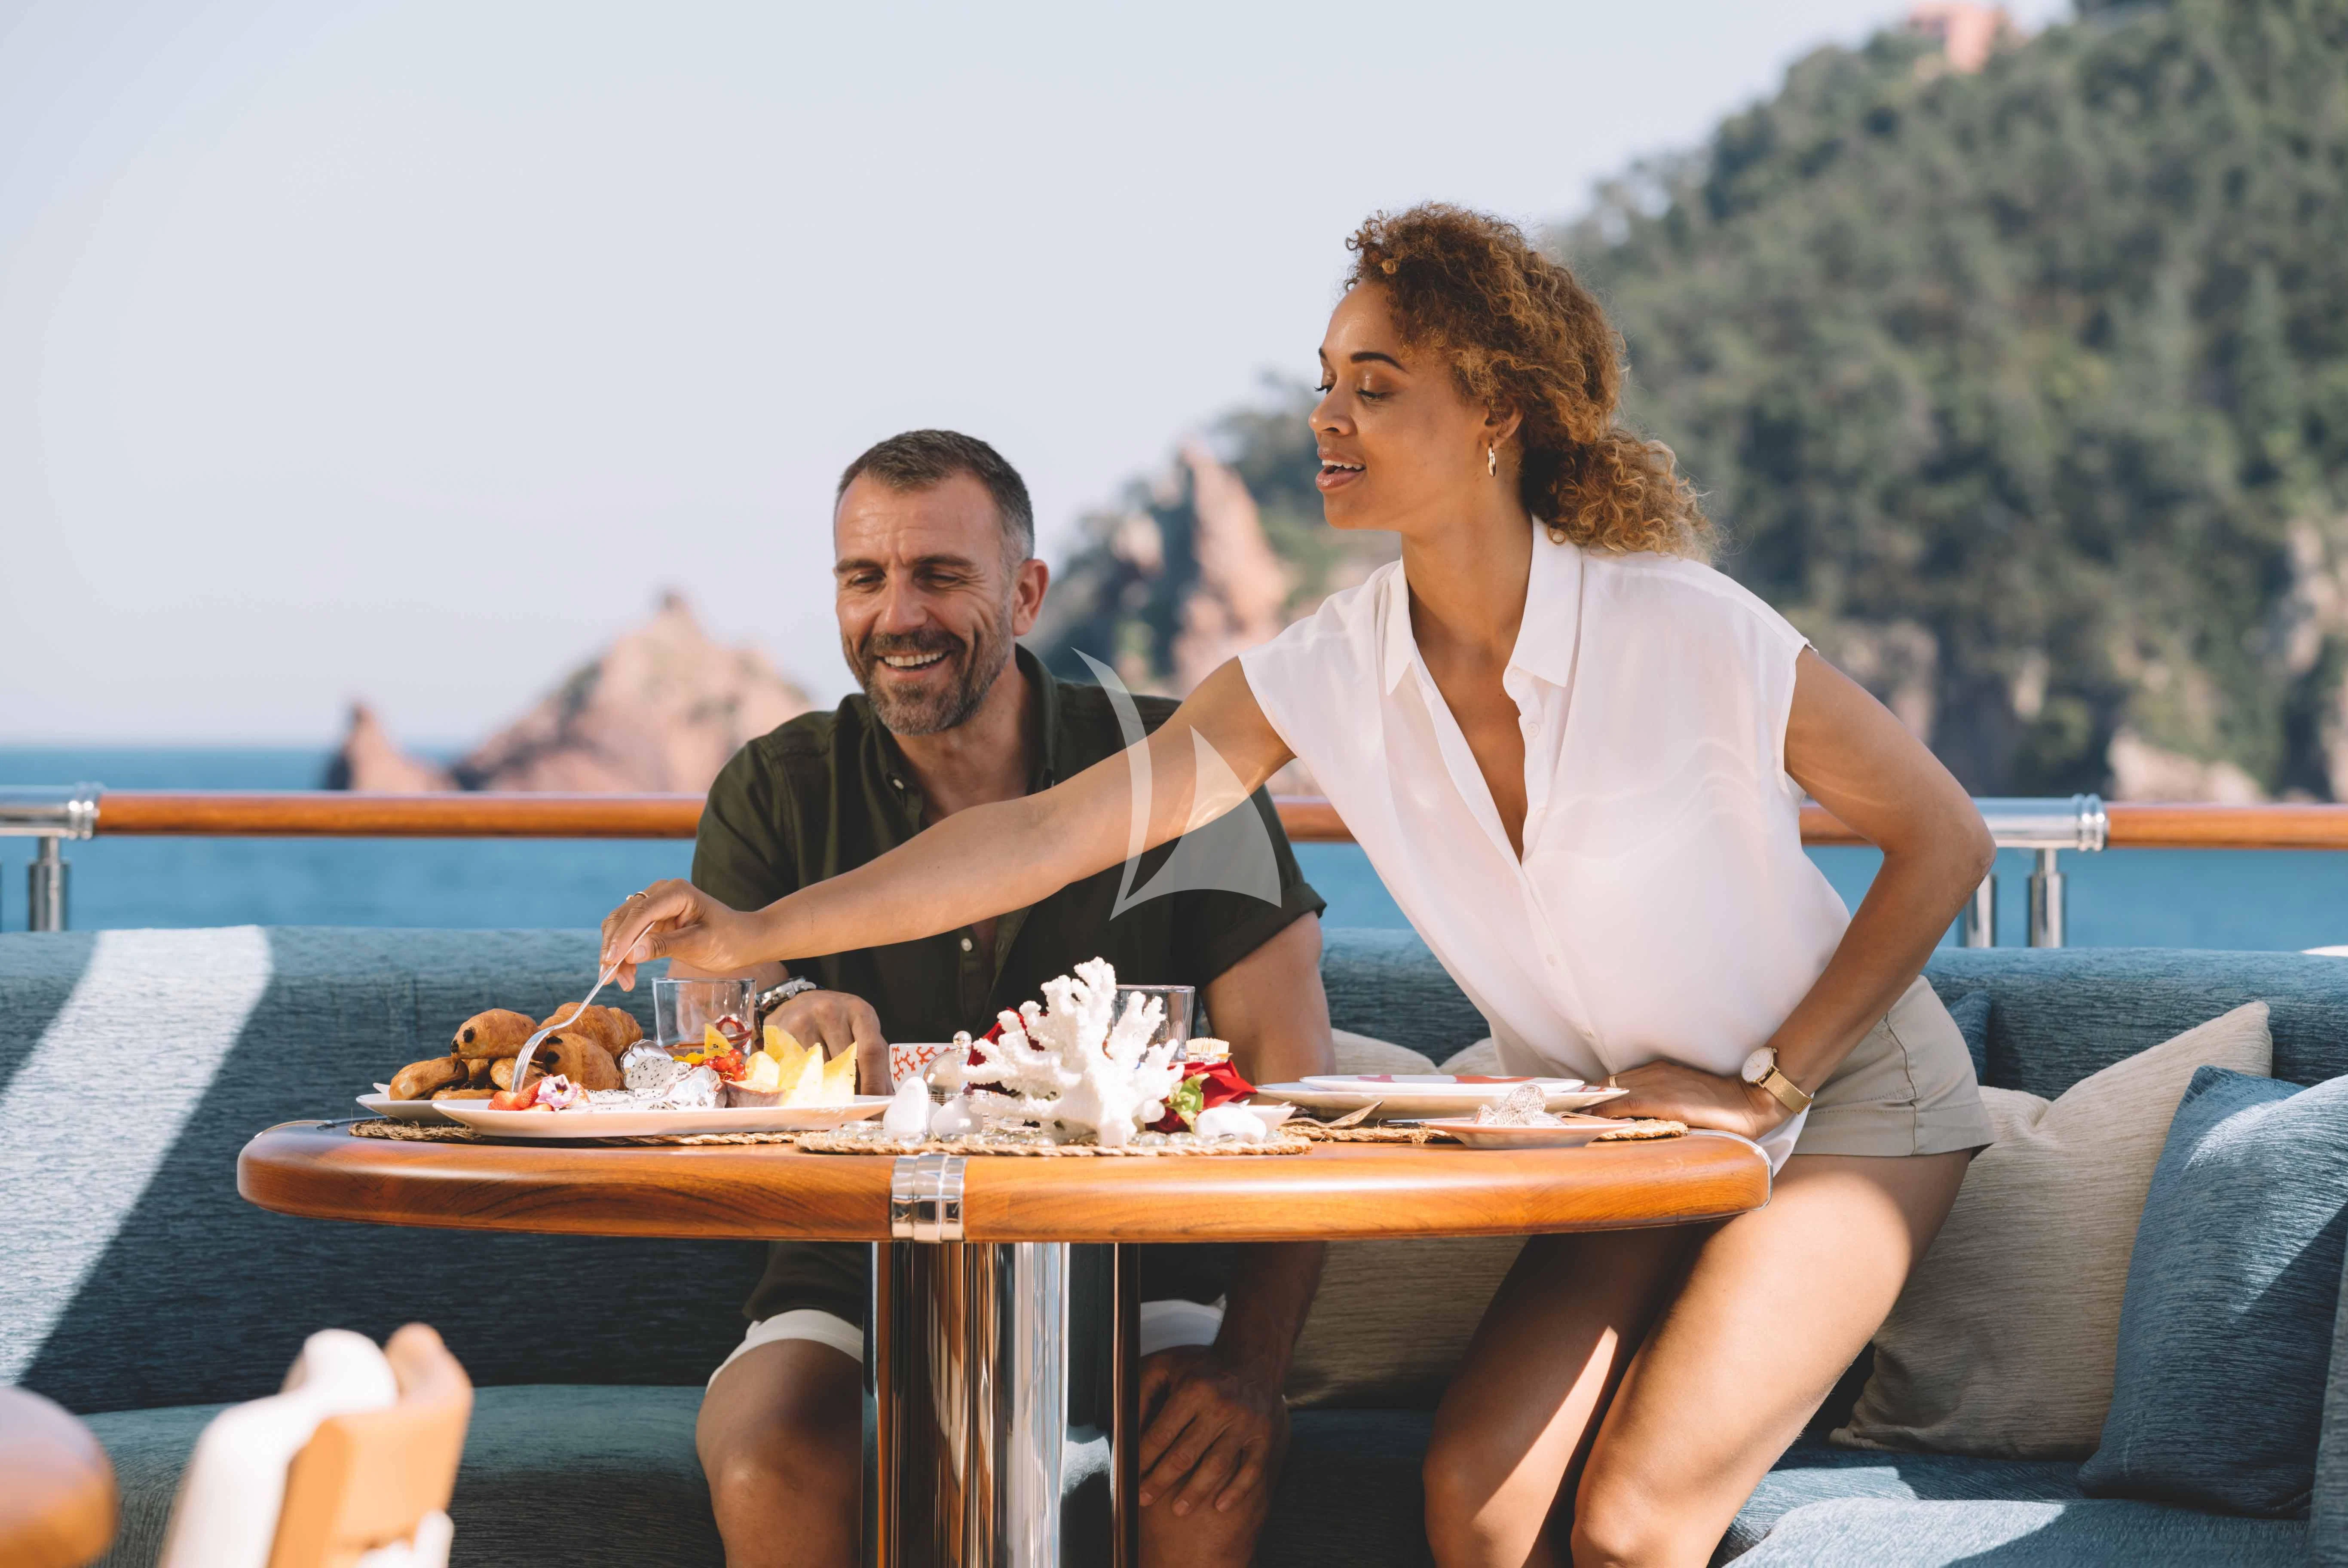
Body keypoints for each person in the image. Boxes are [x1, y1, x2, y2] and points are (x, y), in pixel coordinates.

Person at [608, 210, 1997, 1568]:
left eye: (1375, 389)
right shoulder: (1325, 674)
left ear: (1497, 410)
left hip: (1847, 1110)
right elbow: (1038, 837)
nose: (1327, 419)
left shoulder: (1682, 627)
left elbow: (1944, 839)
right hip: (1631, 1127)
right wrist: (763, 930)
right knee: (1480, 1505)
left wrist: (1771, 1085)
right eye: (1324, 384)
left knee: (1633, 1527)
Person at [680, 429, 1335, 1568]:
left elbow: (1295, 1083)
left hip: (1146, 1271)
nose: (899, 616)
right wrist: (780, 1011)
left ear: (1026, 593)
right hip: (855, 1266)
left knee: (1206, 1481)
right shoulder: (776, 787)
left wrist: (1255, 1367)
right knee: (766, 1461)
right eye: (864, 578)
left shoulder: (1178, 770)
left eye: (940, 575)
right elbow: (712, 1002)